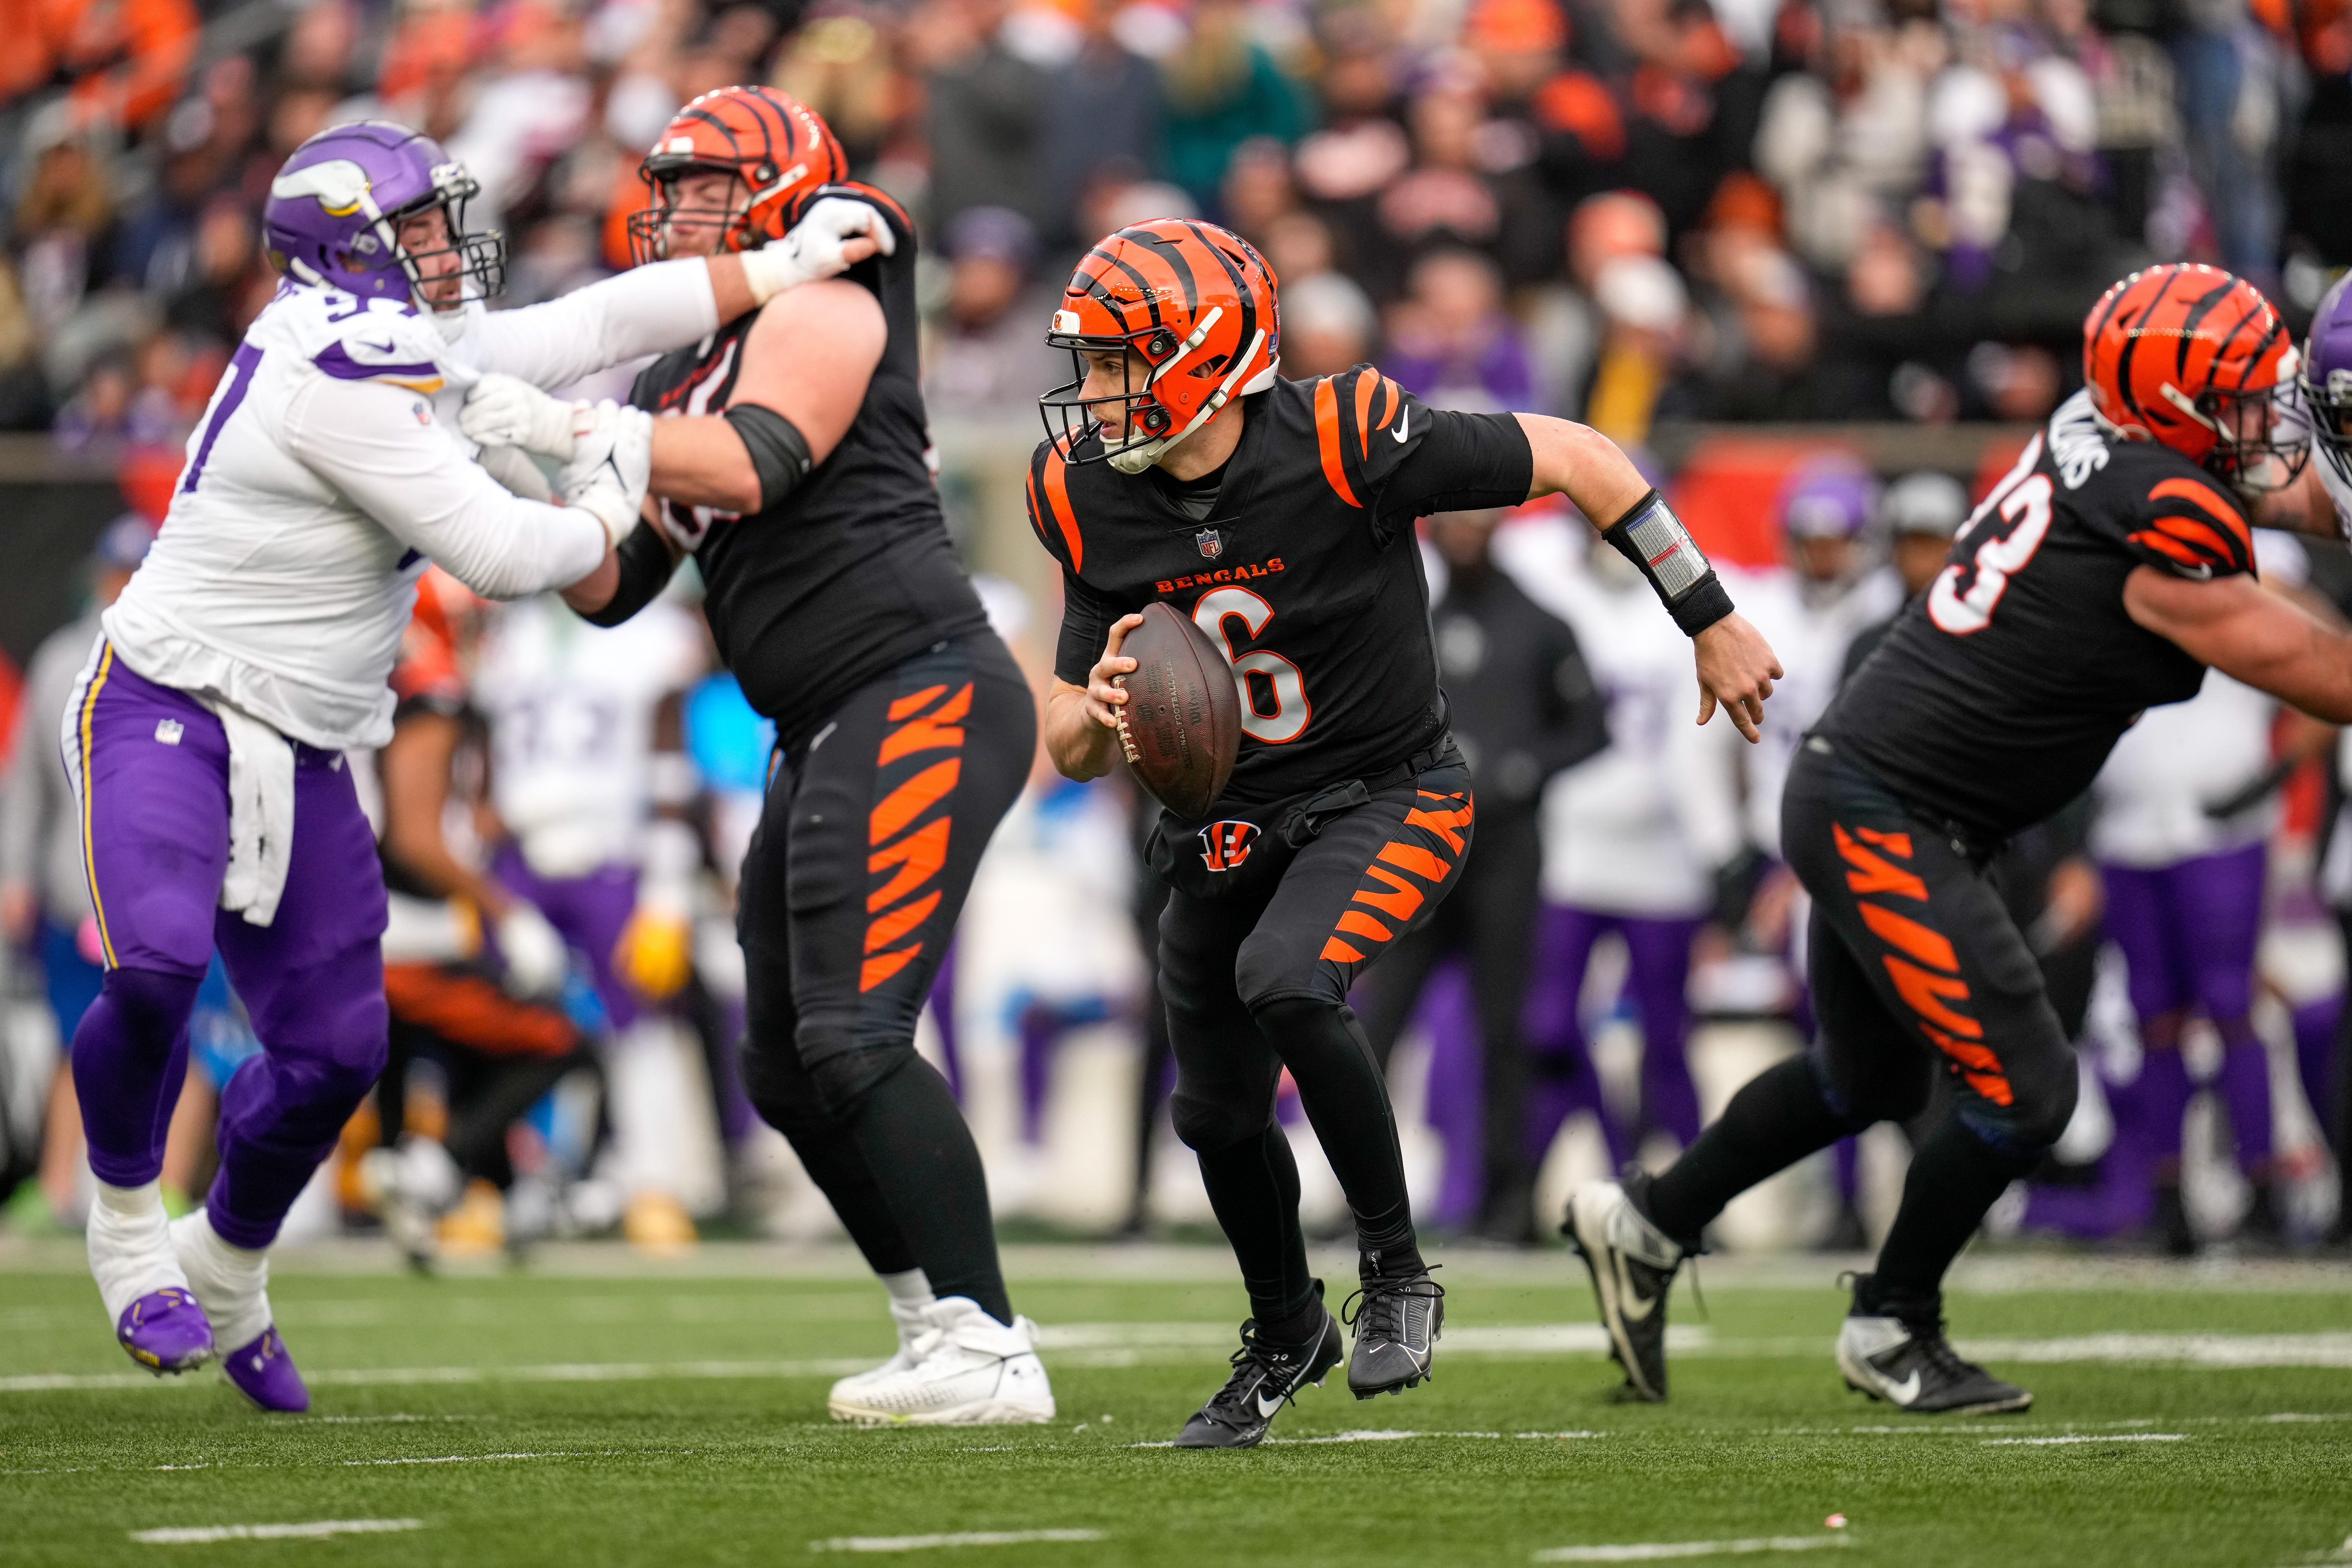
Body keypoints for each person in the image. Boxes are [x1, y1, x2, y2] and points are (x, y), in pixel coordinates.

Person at [65, 115, 858, 1413]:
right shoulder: (326, 372)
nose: (445, 244)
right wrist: (608, 489)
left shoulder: (411, 336)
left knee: (335, 1050)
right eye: (418, 226)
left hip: (310, 734)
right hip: (170, 701)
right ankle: (122, 1218)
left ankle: (230, 1261)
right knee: (153, 964)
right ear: (345, 251)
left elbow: (600, 318)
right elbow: (498, 551)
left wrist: (776, 269)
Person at [1029, 217, 1782, 1447]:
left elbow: (1586, 457)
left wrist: (1706, 613)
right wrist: (1102, 709)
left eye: (1120, 360)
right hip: (1221, 818)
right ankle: (1284, 1327)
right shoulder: (1082, 492)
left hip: (1387, 787)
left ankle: (1395, 1270)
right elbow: (1066, 740)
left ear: (1208, 351)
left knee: (1288, 976)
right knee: (1211, 1115)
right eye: (1095, 362)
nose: (1096, 392)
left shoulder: (1344, 435)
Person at [1567, 263, 2352, 1416]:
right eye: (2239, 398)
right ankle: (1892, 1320)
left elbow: (2287, 500)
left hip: (1878, 793)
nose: (2264, 423)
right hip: (1886, 810)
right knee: (2024, 1092)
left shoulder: (2103, 430)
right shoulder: (2162, 522)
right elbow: (2325, 675)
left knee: (1864, 1074)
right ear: (2177, 408)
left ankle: (1646, 1221)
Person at [465, 85, 1055, 1427]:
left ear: (785, 187)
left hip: (916, 685)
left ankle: (991, 1338)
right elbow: (616, 587)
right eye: (664, 184)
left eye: (703, 181)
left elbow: (754, 463)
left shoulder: (827, 290)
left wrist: (565, 422)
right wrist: (499, 482)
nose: (671, 207)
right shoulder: (679, 373)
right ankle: (932, 1325)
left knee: (854, 1032)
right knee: (787, 1063)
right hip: (825, 717)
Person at [1358, 507, 1607, 1244]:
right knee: (1376, 1027)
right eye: (1453, 523)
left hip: (1502, 852)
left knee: (1504, 1029)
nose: (1464, 534)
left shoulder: (1537, 621)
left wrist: (1522, 769)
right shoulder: (1412, 620)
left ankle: (1507, 1204)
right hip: (1421, 853)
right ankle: (1368, 1206)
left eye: (1477, 522)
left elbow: (1588, 724)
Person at [363, 571, 601, 1267]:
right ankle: (429, 1173)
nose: (486, 640)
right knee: (560, 1042)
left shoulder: (412, 692)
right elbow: (413, 837)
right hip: (407, 945)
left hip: (402, 938)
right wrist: (510, 909)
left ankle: (479, 1184)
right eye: (476, 625)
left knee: (476, 1065)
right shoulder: (431, 698)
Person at [471, 585, 711, 1250]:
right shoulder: (511, 629)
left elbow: (670, 761)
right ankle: (491, 1181)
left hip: (614, 849)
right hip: (519, 852)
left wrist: (667, 883)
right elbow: (485, 755)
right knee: (496, 1020)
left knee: (643, 1025)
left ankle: (652, 1183)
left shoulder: (654, 631)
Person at [2, 517, 150, 1233]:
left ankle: (164, 1189)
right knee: (77, 1039)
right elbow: (26, 783)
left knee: (168, 1038)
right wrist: (13, 873)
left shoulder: (184, 653)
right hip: (77, 884)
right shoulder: (63, 660)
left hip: (164, 886)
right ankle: (60, 1186)